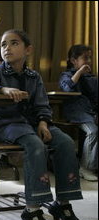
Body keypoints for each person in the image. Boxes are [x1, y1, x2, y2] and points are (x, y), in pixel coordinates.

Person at [0, 29, 85, 220]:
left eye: (14, 43)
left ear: (28, 50)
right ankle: (32, 209)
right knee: (35, 145)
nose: (7, 48)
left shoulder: (34, 77)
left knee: (66, 142)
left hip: (32, 124)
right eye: (4, 44)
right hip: (5, 124)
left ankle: (62, 203)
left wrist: (43, 123)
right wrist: (2, 90)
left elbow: (42, 105)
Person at [59, 44, 98, 179]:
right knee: (92, 131)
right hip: (76, 112)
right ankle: (86, 168)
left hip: (90, 112)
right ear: (73, 60)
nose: (88, 61)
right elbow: (67, 89)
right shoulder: (66, 75)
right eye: (85, 58)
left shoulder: (91, 78)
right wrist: (80, 72)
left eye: (89, 58)